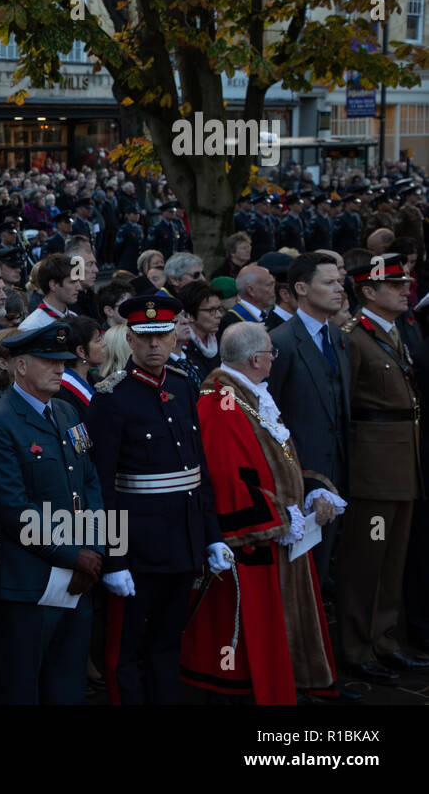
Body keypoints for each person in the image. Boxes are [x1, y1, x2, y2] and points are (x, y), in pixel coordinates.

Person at [181, 323, 341, 703]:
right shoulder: (220, 399)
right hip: (255, 541)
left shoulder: (249, 396)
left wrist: (311, 488)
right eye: (271, 353)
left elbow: (276, 461)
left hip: (279, 533)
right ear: (256, 359)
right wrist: (276, 519)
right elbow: (226, 475)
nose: (273, 359)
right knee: (247, 642)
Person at [88, 295, 229, 704]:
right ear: (130, 340)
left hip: (182, 541)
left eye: (162, 336)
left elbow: (197, 471)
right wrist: (114, 560)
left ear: (173, 338)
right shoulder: (111, 398)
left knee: (168, 643)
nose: (154, 345)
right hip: (137, 548)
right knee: (126, 650)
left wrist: (212, 535)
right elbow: (103, 486)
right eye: (145, 337)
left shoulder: (184, 386)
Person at [0, 322, 103, 704]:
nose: (59, 369)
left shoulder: (67, 412)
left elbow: (90, 484)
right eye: (48, 361)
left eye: (63, 361)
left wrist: (94, 549)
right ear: (19, 366)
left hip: (77, 577)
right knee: (20, 690)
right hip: (27, 582)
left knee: (67, 688)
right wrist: (74, 555)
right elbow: (14, 508)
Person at [336, 253, 425, 683]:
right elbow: (347, 409)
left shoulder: (391, 332)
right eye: (394, 284)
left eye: (404, 282)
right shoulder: (354, 337)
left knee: (392, 560)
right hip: (372, 474)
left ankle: (384, 639)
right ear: (368, 292)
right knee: (368, 560)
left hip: (401, 468)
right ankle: (357, 647)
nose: (405, 288)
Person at [268, 253, 351, 593]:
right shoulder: (281, 342)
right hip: (302, 485)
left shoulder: (339, 336)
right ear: (301, 288)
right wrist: (302, 483)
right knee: (300, 584)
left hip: (340, 477)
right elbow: (271, 421)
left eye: (340, 282)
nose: (340, 290)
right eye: (329, 283)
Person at [19, 253, 81, 330]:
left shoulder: (75, 317)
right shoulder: (31, 326)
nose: (79, 287)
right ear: (53, 285)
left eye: (78, 281)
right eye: (72, 282)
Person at [219, 265, 275, 339]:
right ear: (251, 290)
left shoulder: (267, 315)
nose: (274, 289)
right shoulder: (232, 322)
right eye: (269, 285)